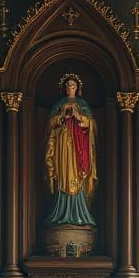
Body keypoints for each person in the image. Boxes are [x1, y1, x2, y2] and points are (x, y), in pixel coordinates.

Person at [43, 73, 97, 226]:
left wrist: (79, 117)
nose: (70, 88)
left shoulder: (82, 104)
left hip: (79, 147)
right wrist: (62, 116)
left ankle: (80, 214)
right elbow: (49, 125)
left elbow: (92, 125)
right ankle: (60, 212)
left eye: (73, 85)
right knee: (62, 175)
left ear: (77, 88)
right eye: (67, 85)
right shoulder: (59, 104)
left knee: (78, 175)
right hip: (62, 146)